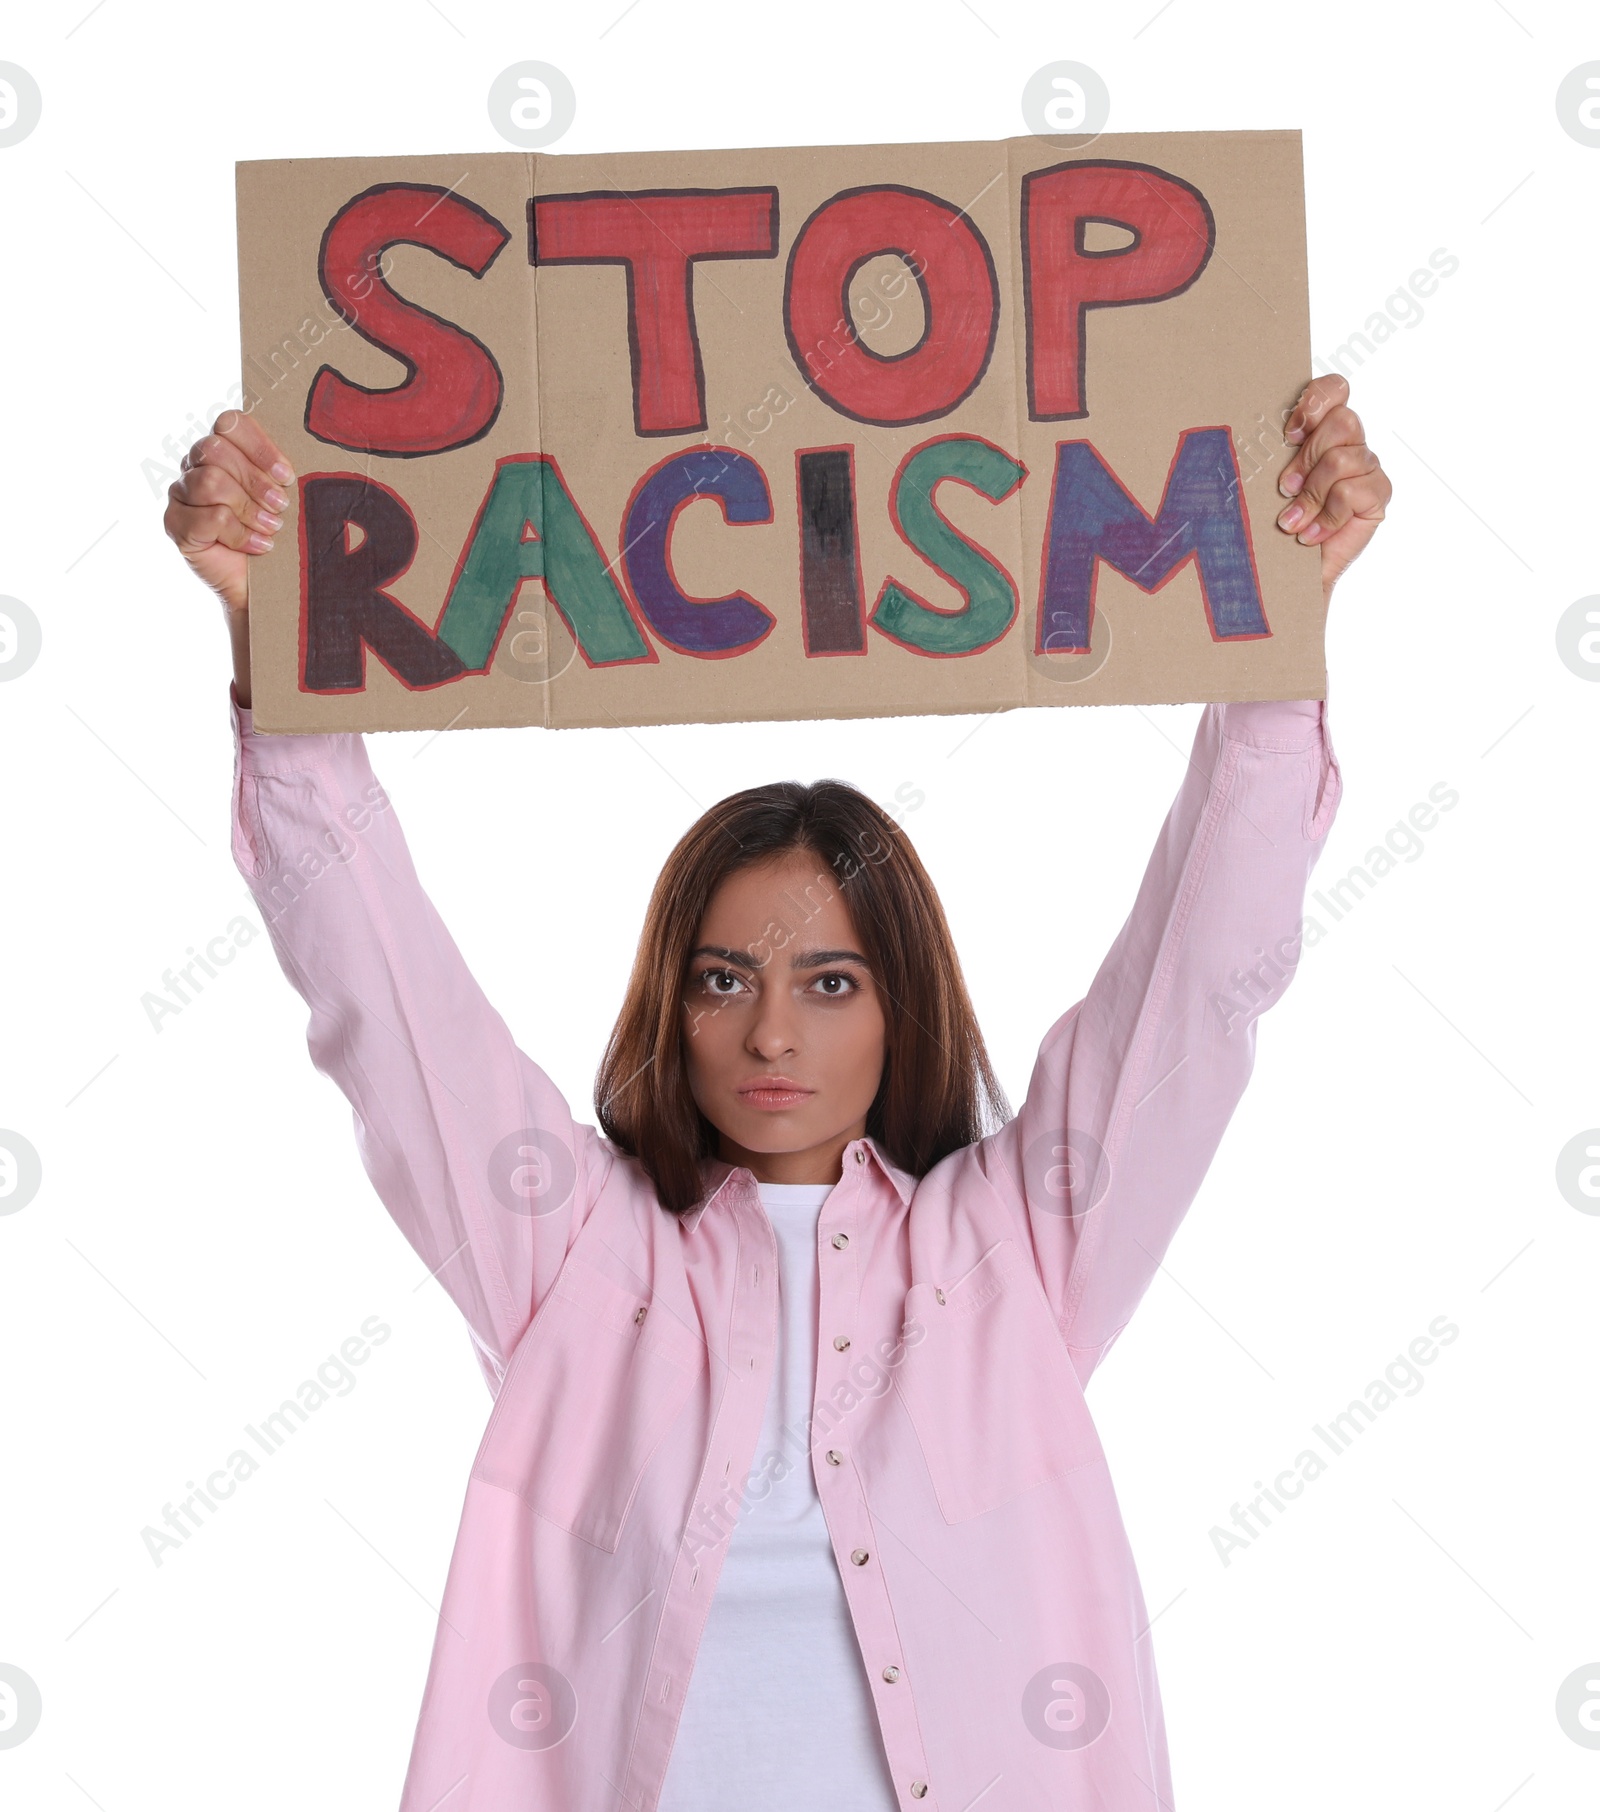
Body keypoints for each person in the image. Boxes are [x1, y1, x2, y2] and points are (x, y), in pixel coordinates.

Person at [163, 374, 1388, 1811]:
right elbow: (386, 1004)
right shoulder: (572, 1251)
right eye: (723, 978)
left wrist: (1274, 645)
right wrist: (277, 654)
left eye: (831, 982)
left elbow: (1198, 984)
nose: (769, 1036)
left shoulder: (1014, 1251)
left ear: (901, 1005)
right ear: (669, 1004)